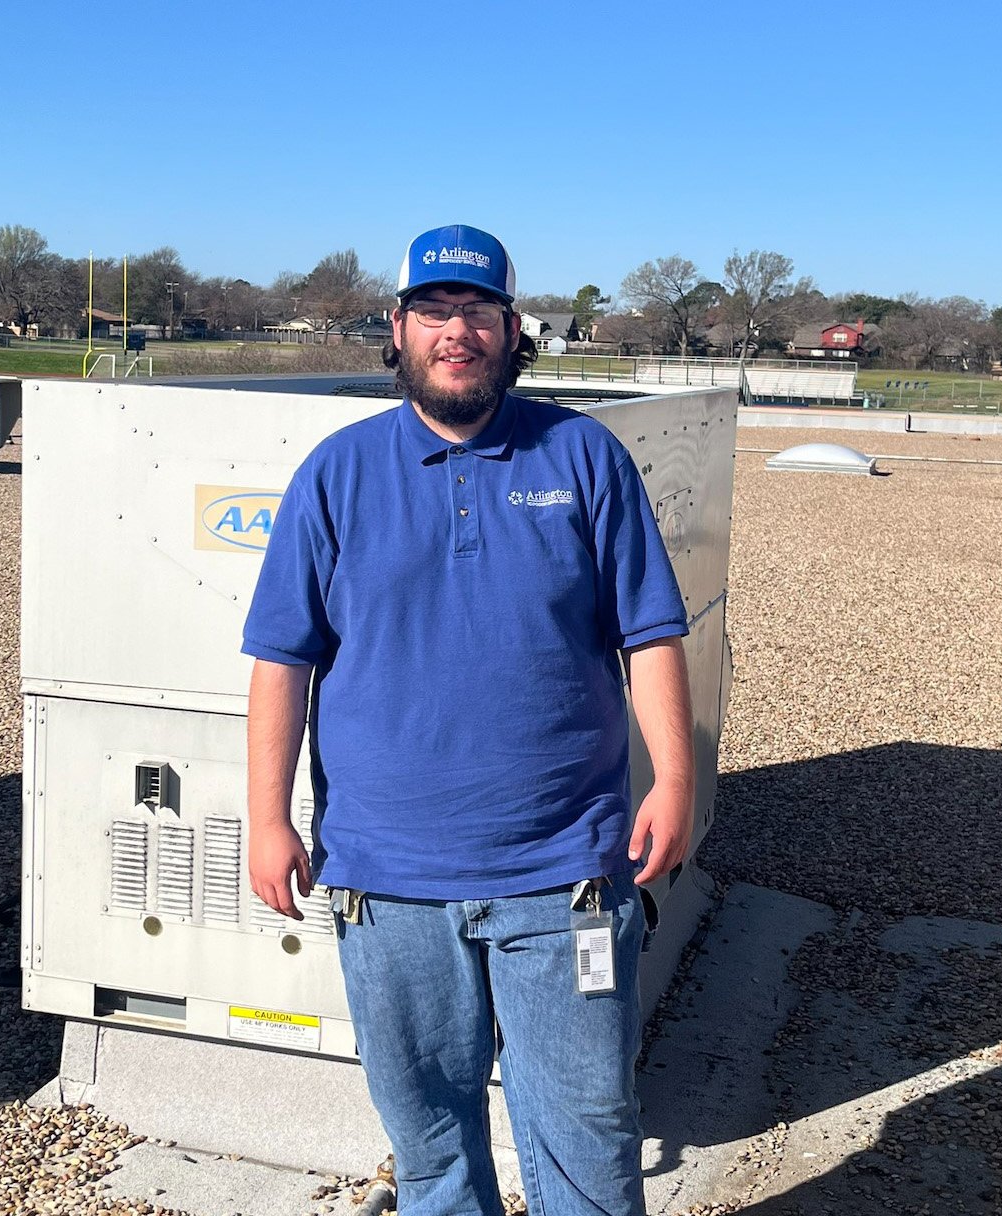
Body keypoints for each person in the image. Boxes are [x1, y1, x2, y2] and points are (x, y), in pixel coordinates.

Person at [242, 223, 694, 1216]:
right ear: (397, 329)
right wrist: (266, 817)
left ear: (511, 328)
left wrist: (674, 778)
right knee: (432, 1144)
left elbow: (650, 632)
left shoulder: (584, 458)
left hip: (564, 872)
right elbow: (282, 657)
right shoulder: (337, 473)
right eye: (435, 312)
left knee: (586, 1133)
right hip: (386, 879)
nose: (458, 332)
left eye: (477, 311)